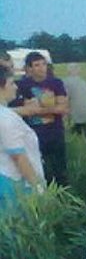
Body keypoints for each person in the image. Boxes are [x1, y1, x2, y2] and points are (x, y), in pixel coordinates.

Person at [11, 52, 69, 185]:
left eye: (44, 64)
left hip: (55, 133)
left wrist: (36, 110)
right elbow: (18, 110)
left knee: (60, 170)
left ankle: (63, 193)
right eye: (37, 65)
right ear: (29, 68)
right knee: (39, 170)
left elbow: (62, 108)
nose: (42, 68)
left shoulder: (56, 83)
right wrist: (50, 108)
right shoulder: (21, 85)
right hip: (33, 135)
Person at [0, 66, 47, 209]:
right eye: (11, 83)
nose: (15, 87)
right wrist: (38, 188)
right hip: (15, 185)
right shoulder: (7, 118)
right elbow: (19, 157)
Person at [62, 63, 86, 136]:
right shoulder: (83, 82)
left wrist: (64, 115)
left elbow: (65, 98)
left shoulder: (65, 82)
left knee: (71, 135)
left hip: (74, 117)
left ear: (68, 71)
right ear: (79, 71)